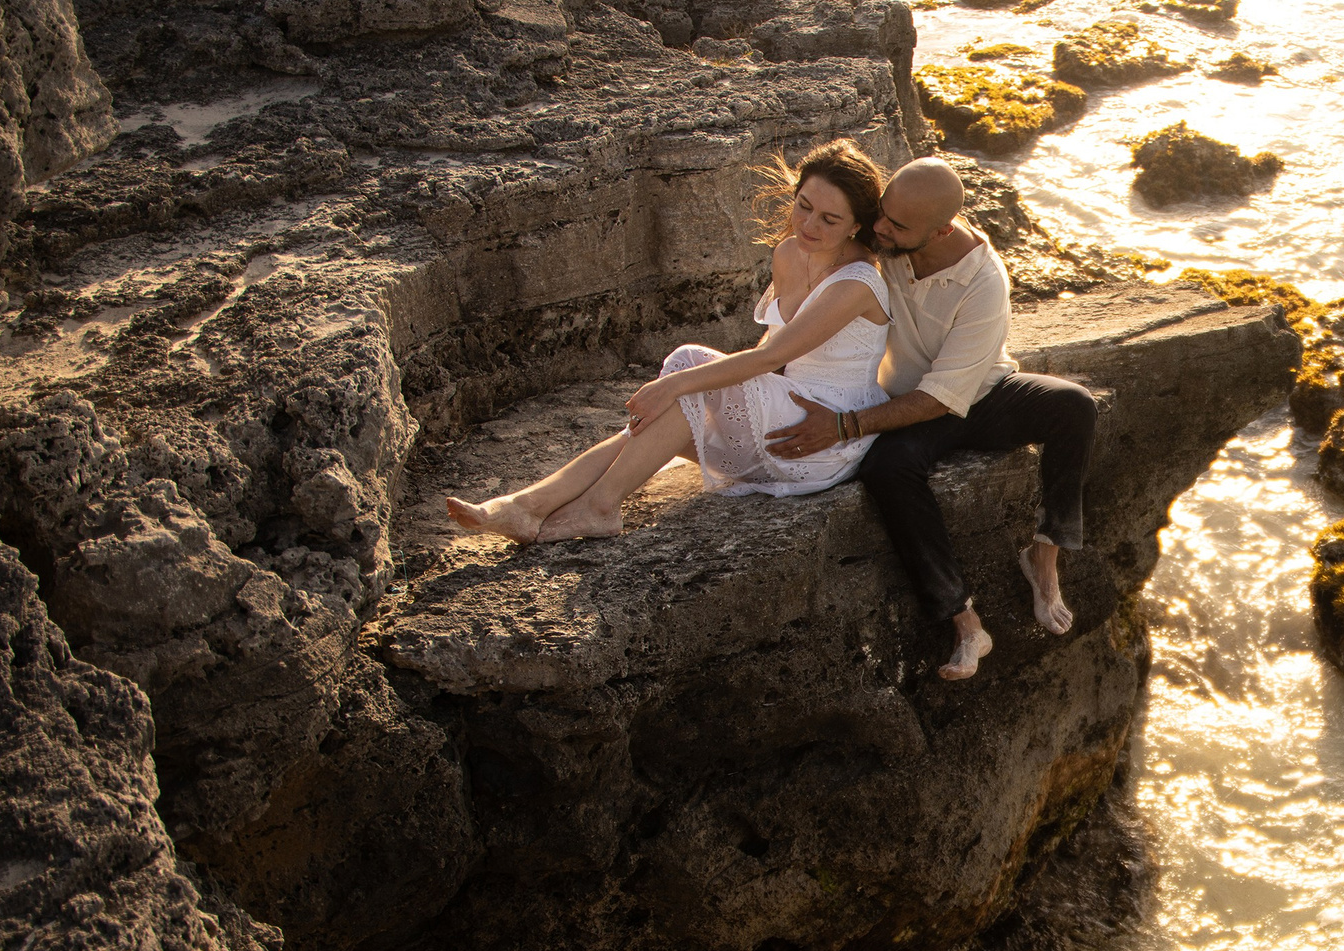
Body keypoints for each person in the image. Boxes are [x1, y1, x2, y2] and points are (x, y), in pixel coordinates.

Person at [445, 138, 893, 544]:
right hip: (781, 415)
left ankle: (597, 506)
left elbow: (773, 357)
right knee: (653, 428)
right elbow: (768, 353)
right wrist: (694, 391)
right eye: (803, 206)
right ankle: (529, 506)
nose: (809, 224)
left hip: (823, 438)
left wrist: (675, 384)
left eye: (830, 219)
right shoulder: (789, 253)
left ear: (856, 226)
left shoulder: (856, 281)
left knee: (688, 366)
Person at [762, 156, 1094, 682]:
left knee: (1073, 405)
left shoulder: (983, 284)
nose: (880, 230)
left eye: (896, 226)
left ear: (941, 229)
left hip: (978, 395)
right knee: (886, 470)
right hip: (910, 397)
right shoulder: (887, 239)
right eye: (882, 215)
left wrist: (845, 425)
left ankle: (1045, 557)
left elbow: (941, 398)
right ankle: (964, 621)